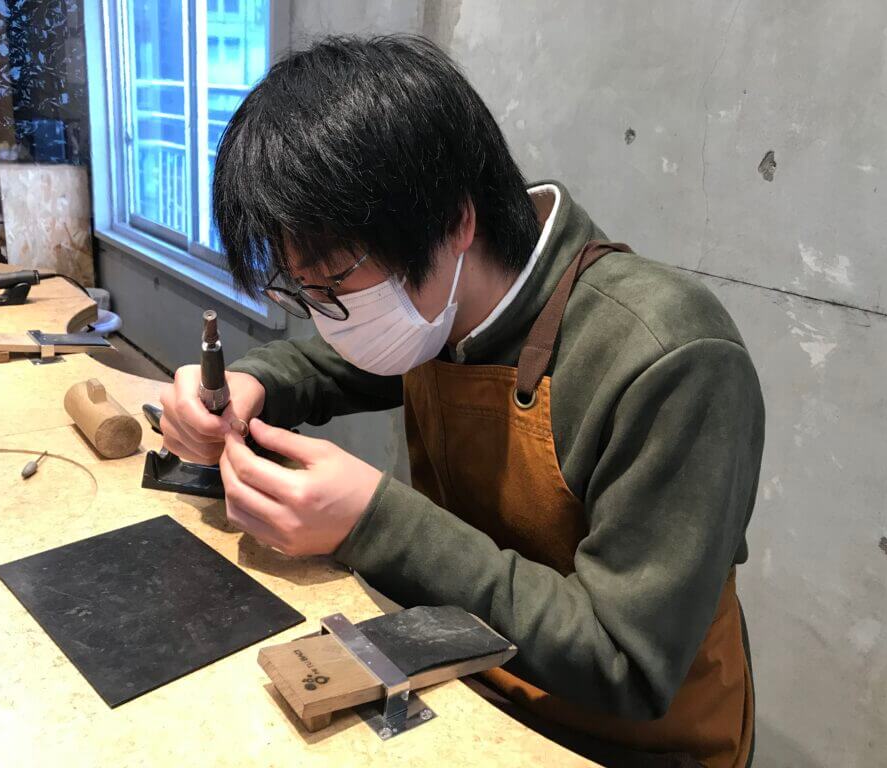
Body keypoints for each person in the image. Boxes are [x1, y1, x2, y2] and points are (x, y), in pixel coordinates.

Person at [159, 35, 764, 768]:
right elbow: (346, 358)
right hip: (470, 678)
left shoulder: (670, 357)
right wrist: (252, 384)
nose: (324, 314)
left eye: (335, 282)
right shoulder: (442, 300)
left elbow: (625, 662)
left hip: (623, 742)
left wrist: (373, 522)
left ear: (454, 223)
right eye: (301, 288)